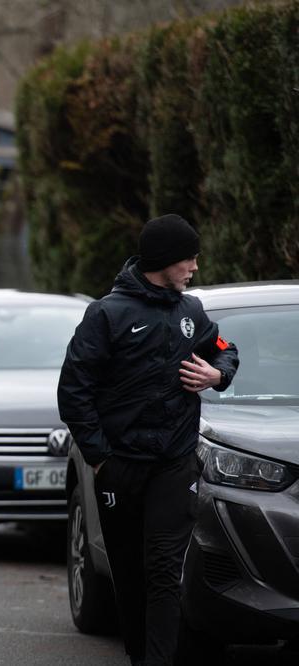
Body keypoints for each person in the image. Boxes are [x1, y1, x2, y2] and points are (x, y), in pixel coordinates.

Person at [57, 214, 239, 666]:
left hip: (174, 465)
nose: (195, 267)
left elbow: (225, 349)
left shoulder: (192, 313)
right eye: (190, 259)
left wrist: (219, 374)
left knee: (163, 571)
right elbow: (74, 391)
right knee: (131, 575)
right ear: (165, 260)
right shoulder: (107, 315)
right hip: (121, 466)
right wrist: (101, 460)